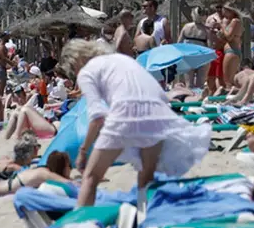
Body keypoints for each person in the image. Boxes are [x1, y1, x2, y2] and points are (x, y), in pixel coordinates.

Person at [57, 40, 210, 208]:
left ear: (75, 61)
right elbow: (157, 92)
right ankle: (145, 217)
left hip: (125, 114)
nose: (75, 73)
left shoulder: (87, 72)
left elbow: (97, 117)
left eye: (72, 70)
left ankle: (80, 225)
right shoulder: (123, 60)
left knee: (91, 177)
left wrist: (83, 150)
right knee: (146, 177)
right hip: (156, 114)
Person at [178, 7, 210, 89]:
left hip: (188, 56)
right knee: (201, 84)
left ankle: (189, 100)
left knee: (189, 84)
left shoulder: (186, 27)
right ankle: (198, 99)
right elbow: (209, 46)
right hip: (202, 57)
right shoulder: (206, 29)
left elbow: (179, 43)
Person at [221, 3, 243, 92]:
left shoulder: (235, 21)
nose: (223, 11)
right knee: (230, 80)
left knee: (228, 81)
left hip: (231, 51)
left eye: (224, 9)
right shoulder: (235, 21)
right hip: (232, 51)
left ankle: (231, 98)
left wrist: (222, 25)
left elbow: (229, 36)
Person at [206, 4, 227, 94]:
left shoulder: (227, 19)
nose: (219, 9)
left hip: (223, 49)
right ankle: (212, 91)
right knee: (210, 74)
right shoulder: (211, 18)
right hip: (212, 49)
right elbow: (206, 32)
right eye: (217, 7)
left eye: (220, 7)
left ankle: (219, 93)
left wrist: (220, 26)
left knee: (220, 75)